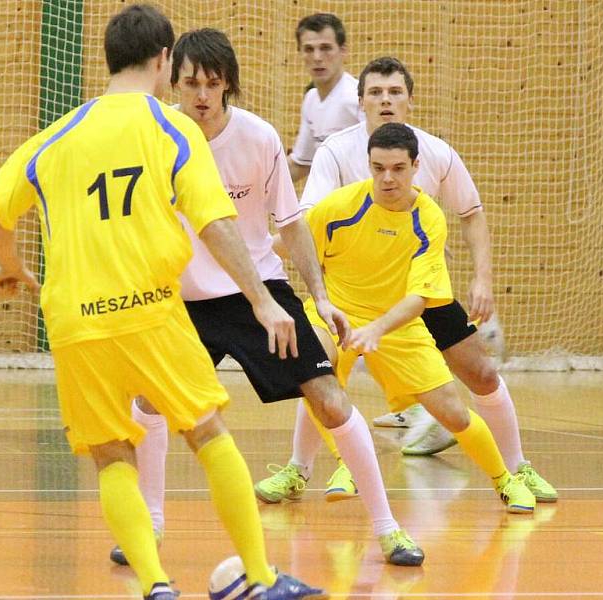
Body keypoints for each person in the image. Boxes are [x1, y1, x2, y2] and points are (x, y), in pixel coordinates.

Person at [0, 5, 323, 599]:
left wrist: (13, 270)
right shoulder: (172, 129)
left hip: (73, 322)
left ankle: (156, 585)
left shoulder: (57, 135)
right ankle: (263, 579)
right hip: (149, 311)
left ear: (108, 58)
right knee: (209, 433)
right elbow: (215, 223)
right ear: (165, 59)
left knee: (112, 454)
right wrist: (263, 299)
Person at [108, 27, 424, 570]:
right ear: (173, 84)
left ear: (228, 82)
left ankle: (387, 528)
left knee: (328, 397)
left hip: (259, 292)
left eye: (212, 83)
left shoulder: (258, 138)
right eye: (190, 84)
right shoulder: (157, 139)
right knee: (149, 399)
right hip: (181, 296)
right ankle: (151, 525)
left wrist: (319, 296)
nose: (201, 96)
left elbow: (292, 222)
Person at [262, 57, 556, 503]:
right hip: (352, 292)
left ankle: (517, 469)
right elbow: (302, 224)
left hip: (419, 290)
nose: (385, 100)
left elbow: (472, 213)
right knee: (318, 367)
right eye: (375, 93)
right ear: (359, 102)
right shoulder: (336, 153)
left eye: (394, 92)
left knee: (479, 372)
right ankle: (302, 468)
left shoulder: (435, 155)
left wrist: (482, 278)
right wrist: (251, 257)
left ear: (409, 101)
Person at [287, 13, 362, 183]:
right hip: (331, 201)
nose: (317, 57)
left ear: (343, 51)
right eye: (309, 49)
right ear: (299, 53)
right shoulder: (311, 100)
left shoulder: (359, 97)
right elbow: (301, 163)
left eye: (326, 48)